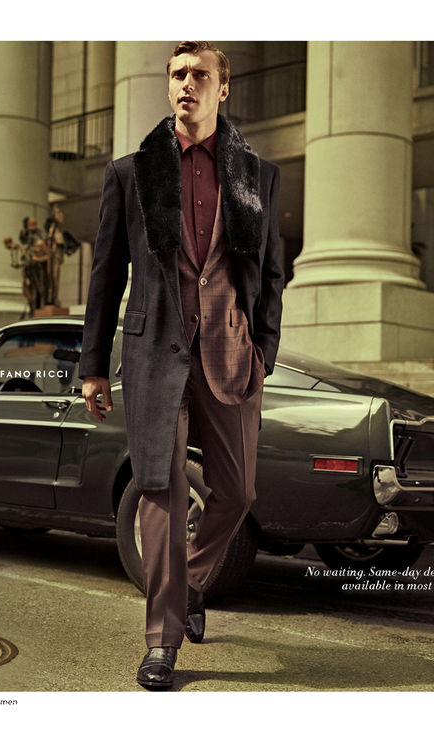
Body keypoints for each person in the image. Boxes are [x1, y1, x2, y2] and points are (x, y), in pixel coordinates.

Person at [78, 41, 284, 691]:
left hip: (232, 355)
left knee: (238, 493)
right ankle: (162, 639)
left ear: (223, 88)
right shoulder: (131, 173)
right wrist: (92, 365)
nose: (185, 83)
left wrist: (265, 349)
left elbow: (271, 274)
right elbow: (105, 275)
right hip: (153, 356)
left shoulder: (256, 176)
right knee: (161, 492)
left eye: (199, 74)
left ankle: (190, 583)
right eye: (177, 74)